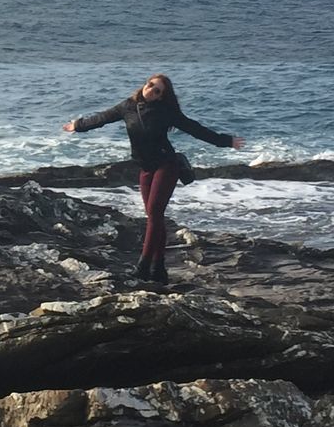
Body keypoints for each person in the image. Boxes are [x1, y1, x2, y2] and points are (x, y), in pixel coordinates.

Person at [63, 74, 244, 284]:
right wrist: (78, 125)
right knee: (153, 217)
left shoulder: (167, 112)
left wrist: (226, 141)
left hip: (166, 165)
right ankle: (159, 269)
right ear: (144, 84)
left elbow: (195, 129)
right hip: (145, 168)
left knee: (155, 213)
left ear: (161, 97)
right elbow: (102, 118)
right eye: (150, 86)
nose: (151, 91)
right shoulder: (127, 106)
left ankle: (143, 266)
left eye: (157, 91)